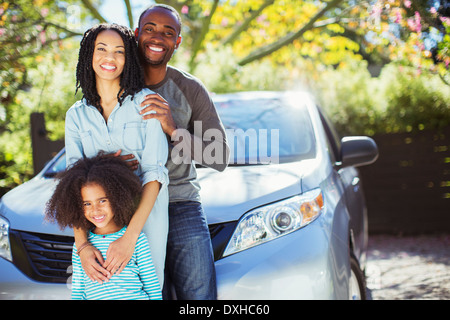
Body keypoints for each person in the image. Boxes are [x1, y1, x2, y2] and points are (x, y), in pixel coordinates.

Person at [64, 23, 169, 290]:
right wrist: (83, 246)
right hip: (97, 226)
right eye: (101, 49)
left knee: (146, 292)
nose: (109, 58)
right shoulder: (76, 115)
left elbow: (155, 173)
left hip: (145, 221)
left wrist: (130, 237)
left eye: (119, 51)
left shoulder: (148, 103)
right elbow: (72, 186)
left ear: (128, 59)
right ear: (89, 54)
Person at [135, 4, 230, 300]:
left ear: (177, 42)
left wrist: (174, 129)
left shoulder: (189, 89)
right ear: (137, 33)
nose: (157, 37)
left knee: (199, 297)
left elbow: (220, 157)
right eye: (149, 29)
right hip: (129, 207)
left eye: (168, 32)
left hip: (179, 203)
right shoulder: (115, 83)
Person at [45, 153, 162, 300]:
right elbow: (78, 291)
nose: (95, 210)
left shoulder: (137, 240)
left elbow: (152, 286)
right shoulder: (80, 248)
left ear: (118, 197)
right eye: (87, 204)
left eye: (102, 201)